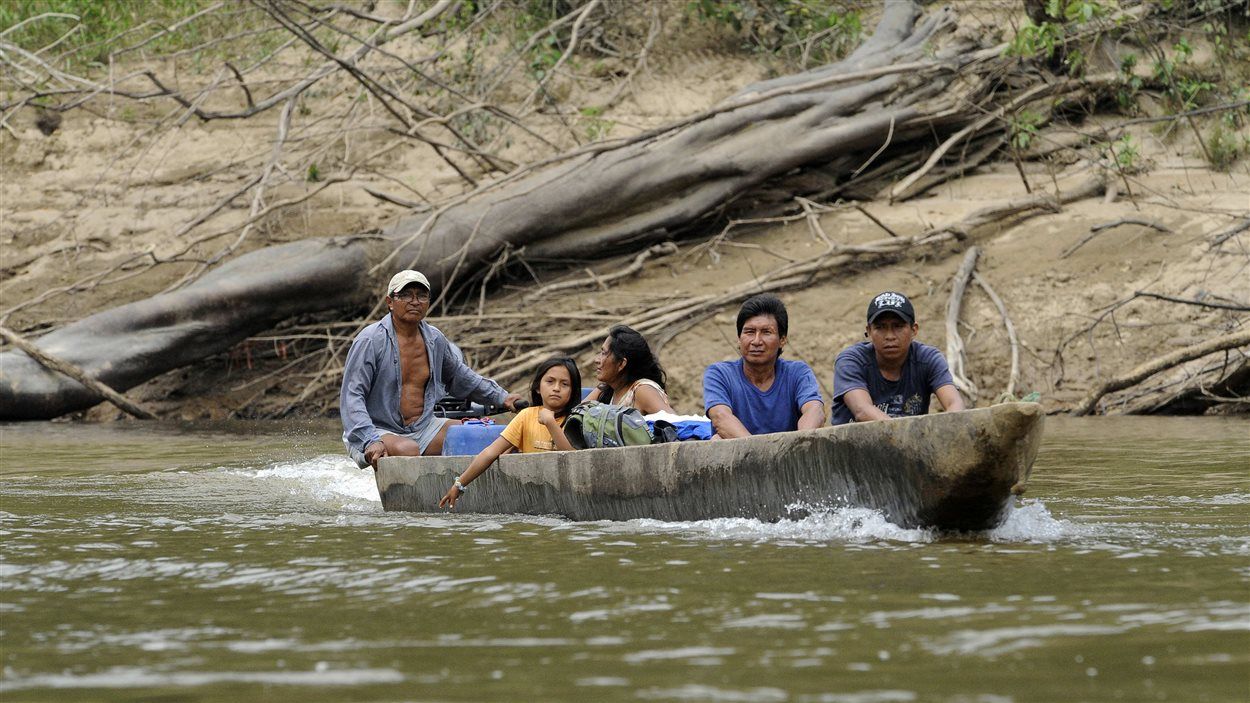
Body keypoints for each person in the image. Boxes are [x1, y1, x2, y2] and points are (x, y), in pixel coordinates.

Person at [340, 270, 523, 469]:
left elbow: (460, 377)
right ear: (390, 302)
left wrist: (502, 397)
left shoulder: (434, 339)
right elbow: (352, 396)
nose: (415, 301)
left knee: (498, 438)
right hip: (377, 429)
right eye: (406, 295)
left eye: (422, 295)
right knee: (407, 449)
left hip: (423, 426)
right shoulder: (370, 340)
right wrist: (369, 439)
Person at [439, 357, 581, 508]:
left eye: (565, 384)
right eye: (550, 381)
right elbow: (490, 453)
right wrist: (459, 484)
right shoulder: (526, 416)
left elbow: (573, 459)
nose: (556, 388)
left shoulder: (576, 419)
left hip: (568, 496)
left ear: (572, 391)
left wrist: (550, 423)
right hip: (534, 496)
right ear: (538, 387)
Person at [830, 291, 965, 425]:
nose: (890, 336)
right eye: (880, 327)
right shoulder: (851, 361)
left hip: (912, 444)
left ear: (914, 330)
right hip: (853, 445)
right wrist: (905, 437)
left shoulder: (928, 359)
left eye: (898, 326)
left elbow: (954, 404)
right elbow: (862, 411)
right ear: (869, 331)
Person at [702, 294, 825, 438]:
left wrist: (801, 443)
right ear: (739, 339)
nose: (756, 341)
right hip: (737, 457)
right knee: (717, 439)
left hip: (789, 456)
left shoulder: (797, 372)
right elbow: (720, 418)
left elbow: (815, 410)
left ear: (782, 340)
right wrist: (760, 454)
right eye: (749, 332)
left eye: (766, 332)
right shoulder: (720, 374)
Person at [584, 325, 675, 414]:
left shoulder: (642, 390)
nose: (597, 360)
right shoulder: (606, 389)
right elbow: (576, 416)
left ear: (621, 364)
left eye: (604, 353)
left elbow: (676, 424)